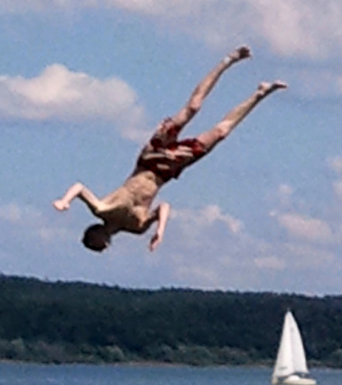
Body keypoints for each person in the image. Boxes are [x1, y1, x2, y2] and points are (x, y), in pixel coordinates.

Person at [53, 47, 286, 252]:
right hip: (167, 172)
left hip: (149, 159)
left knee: (192, 108)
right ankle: (260, 93)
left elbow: (80, 188)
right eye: (98, 247)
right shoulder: (137, 227)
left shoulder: (102, 209)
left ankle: (229, 60)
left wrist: (65, 201)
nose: (98, 244)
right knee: (221, 133)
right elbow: (163, 206)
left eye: (93, 242)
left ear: (93, 232)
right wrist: (160, 231)